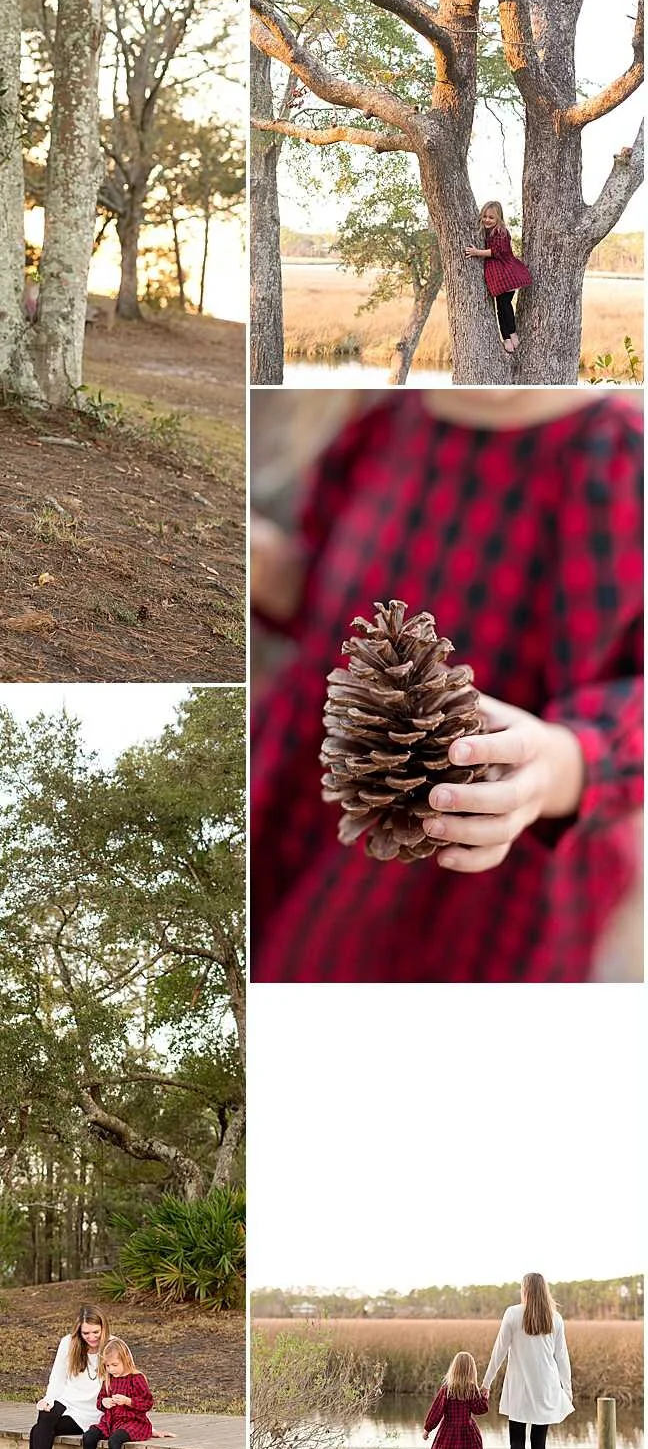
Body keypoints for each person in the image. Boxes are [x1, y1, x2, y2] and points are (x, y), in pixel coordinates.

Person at [251, 388, 643, 983]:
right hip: (308, 798)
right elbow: (331, 611)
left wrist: (566, 763)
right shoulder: (383, 425)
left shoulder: (618, 455)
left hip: (475, 857)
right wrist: (270, 568)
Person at [1, 1306, 109, 1449]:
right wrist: (48, 1400)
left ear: (103, 1328)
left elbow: (128, 1382)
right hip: (68, 1403)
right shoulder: (68, 1343)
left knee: (36, 1430)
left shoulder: (114, 1345)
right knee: (45, 1416)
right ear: (79, 1331)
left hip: (93, 1411)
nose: (91, 1338)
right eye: (86, 1333)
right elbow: (57, 1378)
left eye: (95, 1332)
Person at [483, 1272, 573, 1449]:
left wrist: (486, 1381)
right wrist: (568, 1389)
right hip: (547, 1386)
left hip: (520, 1387)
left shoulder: (513, 1313)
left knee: (516, 1440)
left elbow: (498, 1351)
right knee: (539, 1442)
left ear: (525, 1290)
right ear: (544, 1290)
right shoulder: (555, 1318)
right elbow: (562, 1358)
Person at [82, 1337, 165, 1449]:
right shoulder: (109, 1379)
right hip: (111, 1420)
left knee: (115, 1441)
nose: (111, 1369)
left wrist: (128, 1402)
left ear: (125, 1360)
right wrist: (104, 1403)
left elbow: (147, 1403)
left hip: (132, 1421)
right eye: (107, 1366)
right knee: (89, 1437)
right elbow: (100, 1401)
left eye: (114, 1365)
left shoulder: (137, 1378)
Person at [422, 1351, 489, 1449]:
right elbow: (480, 1409)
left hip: (450, 1431)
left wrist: (427, 1428)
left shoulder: (447, 1389)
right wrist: (485, 1397)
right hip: (467, 1431)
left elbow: (436, 1411)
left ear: (454, 1368)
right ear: (471, 1370)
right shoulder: (472, 1389)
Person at [464, 200, 533, 354]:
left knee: (505, 306)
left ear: (499, 219)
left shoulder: (501, 232)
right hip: (498, 277)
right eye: (485, 217)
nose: (487, 220)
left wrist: (477, 252)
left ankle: (511, 334)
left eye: (491, 218)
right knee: (502, 307)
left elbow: (496, 251)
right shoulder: (487, 231)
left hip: (507, 274)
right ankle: (507, 337)